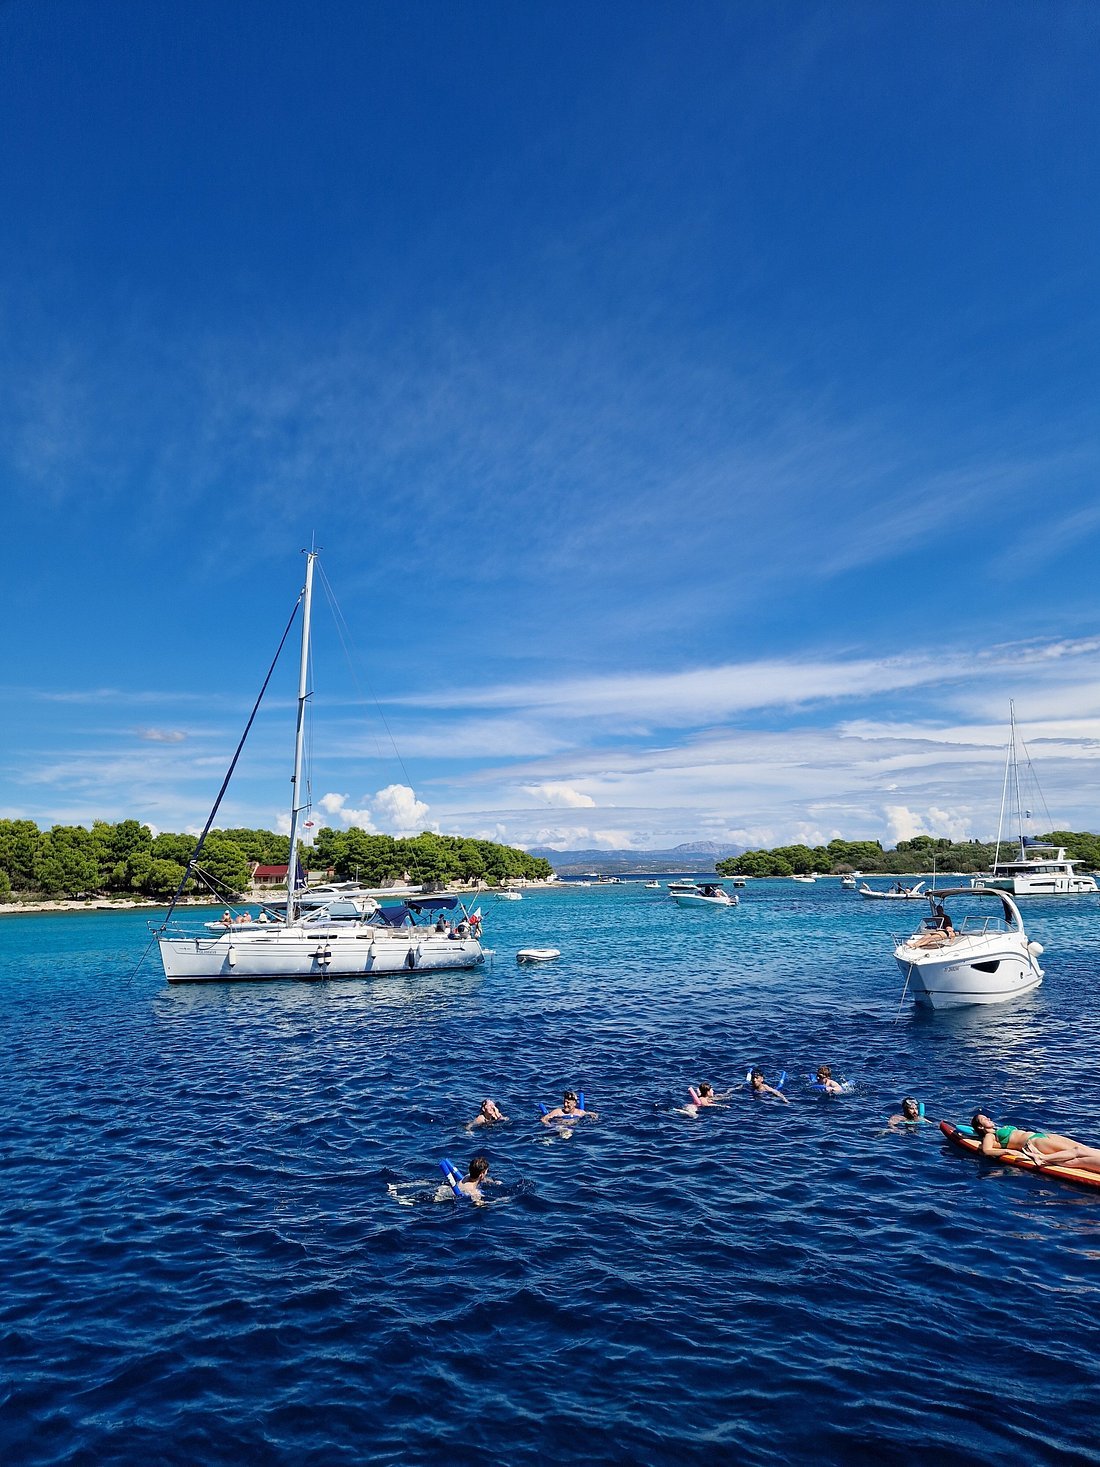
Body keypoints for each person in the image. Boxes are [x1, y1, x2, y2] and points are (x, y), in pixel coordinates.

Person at [970, 1114, 1100, 1174]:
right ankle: (1041, 1158)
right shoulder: (989, 1136)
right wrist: (1007, 1151)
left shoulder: (997, 1130)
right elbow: (986, 1150)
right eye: (984, 1119)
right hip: (1034, 1142)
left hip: (1043, 1136)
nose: (988, 1118)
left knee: (1083, 1148)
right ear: (980, 1127)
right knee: (1077, 1151)